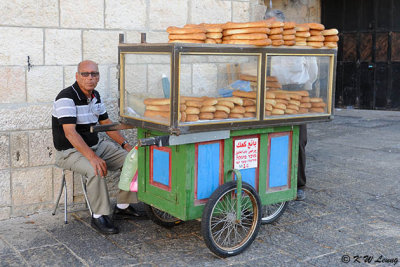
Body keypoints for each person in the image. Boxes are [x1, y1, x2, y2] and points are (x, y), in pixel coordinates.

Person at [52, 60, 141, 234]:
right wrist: (92, 158)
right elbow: (70, 133)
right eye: (85, 74)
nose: (90, 78)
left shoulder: (95, 96)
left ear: (98, 77)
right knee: (96, 169)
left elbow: (106, 123)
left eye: (94, 74)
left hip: (95, 146)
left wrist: (126, 145)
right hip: (69, 152)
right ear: (77, 76)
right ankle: (99, 216)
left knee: (133, 160)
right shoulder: (66, 98)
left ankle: (123, 206)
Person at [264, 10, 312, 201]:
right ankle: (275, 180)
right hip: (275, 92)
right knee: (275, 135)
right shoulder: (270, 45)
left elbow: (314, 70)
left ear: (284, 24)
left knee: (299, 138)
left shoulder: (298, 42)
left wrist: (303, 92)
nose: (272, 28)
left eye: (274, 24)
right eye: (269, 25)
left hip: (297, 92)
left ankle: (299, 184)